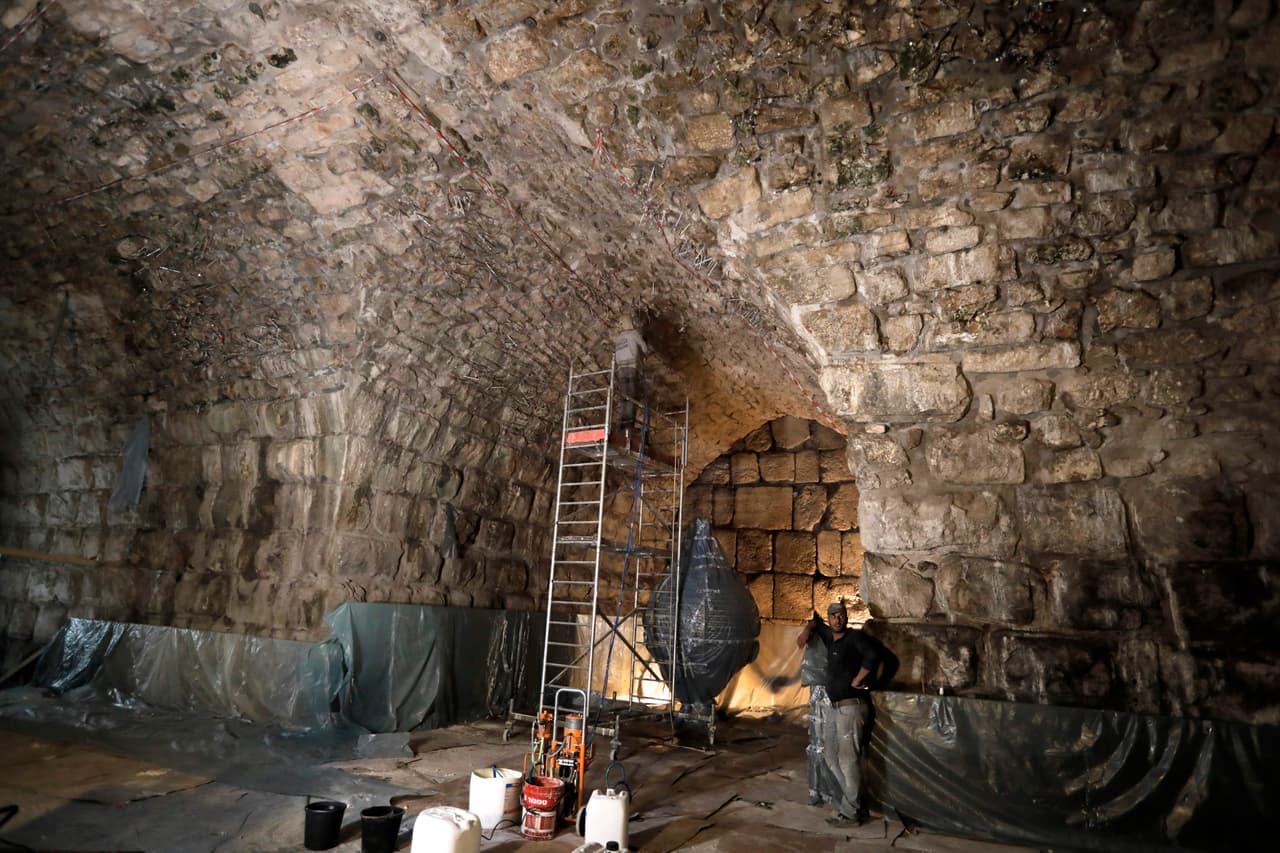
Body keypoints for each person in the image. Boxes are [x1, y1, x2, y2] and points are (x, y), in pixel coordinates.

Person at [796, 599, 880, 826]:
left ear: (847, 616)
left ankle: (851, 812)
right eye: (833, 615)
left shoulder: (855, 638)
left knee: (847, 760)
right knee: (830, 756)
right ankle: (855, 803)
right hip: (834, 709)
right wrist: (806, 631)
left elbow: (873, 655)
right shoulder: (831, 638)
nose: (837, 618)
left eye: (841, 614)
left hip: (851, 707)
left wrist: (859, 678)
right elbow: (815, 623)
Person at [613, 319, 648, 448]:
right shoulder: (634, 334)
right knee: (632, 396)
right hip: (632, 367)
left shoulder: (619, 338)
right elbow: (645, 348)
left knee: (624, 397)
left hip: (621, 369)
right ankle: (629, 425)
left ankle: (622, 423)